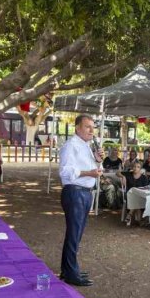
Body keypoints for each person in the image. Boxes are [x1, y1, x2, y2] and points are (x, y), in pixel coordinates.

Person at [57, 115, 100, 287]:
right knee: (73, 234)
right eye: (87, 126)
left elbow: (87, 166)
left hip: (84, 192)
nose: (91, 130)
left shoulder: (86, 146)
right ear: (77, 128)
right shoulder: (71, 145)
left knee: (77, 234)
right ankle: (70, 274)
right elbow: (65, 171)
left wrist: (96, 159)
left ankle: (69, 269)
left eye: (92, 127)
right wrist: (89, 173)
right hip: (75, 192)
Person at [123, 161, 149, 226]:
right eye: (134, 166)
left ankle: (130, 214)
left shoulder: (143, 177)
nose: (135, 168)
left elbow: (146, 188)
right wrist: (123, 176)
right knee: (135, 197)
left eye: (138, 167)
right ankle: (139, 219)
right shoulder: (129, 174)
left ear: (140, 169)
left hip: (140, 195)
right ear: (132, 167)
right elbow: (117, 173)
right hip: (129, 194)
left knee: (137, 198)